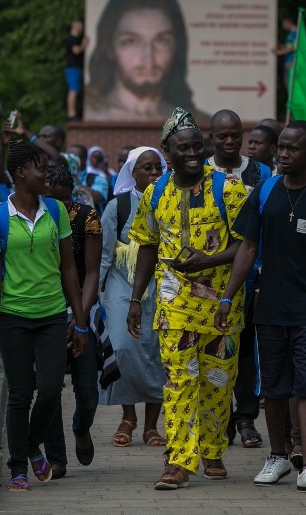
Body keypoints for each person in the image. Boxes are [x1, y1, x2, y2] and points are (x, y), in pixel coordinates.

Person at [216, 119, 306, 494]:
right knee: (272, 388)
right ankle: (276, 457)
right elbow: (247, 247)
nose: (282, 154)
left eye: (291, 149)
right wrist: (228, 295)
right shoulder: (264, 191)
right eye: (281, 148)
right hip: (269, 306)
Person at [126, 107, 248, 489]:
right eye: (184, 148)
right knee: (178, 380)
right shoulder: (154, 193)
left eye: (198, 146)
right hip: (173, 304)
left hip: (222, 305)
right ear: (167, 151)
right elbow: (146, 244)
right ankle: (179, 460)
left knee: (217, 381)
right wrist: (135, 299)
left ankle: (212, 449)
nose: (193, 154)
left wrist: (210, 260)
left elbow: (248, 245)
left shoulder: (229, 189)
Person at [0, 141, 88, 492]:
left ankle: (28, 444)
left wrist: (80, 321)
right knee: (21, 394)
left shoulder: (55, 211)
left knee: (53, 389)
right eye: (41, 168)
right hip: (13, 319)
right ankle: (17, 468)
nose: (47, 174)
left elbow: (69, 269)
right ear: (22, 173)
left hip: (53, 315)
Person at [207, 109, 271, 448]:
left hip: (250, 275)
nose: (230, 142)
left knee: (245, 349)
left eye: (235, 136)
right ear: (212, 137)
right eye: (223, 136)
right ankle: (219, 420)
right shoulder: (200, 172)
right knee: (214, 349)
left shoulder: (260, 171)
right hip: (208, 276)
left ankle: (245, 418)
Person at [99, 147, 169, 448]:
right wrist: (91, 297)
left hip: (163, 282)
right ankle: (128, 416)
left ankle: (151, 425)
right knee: (123, 345)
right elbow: (103, 253)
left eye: (158, 168)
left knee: (158, 350)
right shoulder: (118, 206)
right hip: (121, 282)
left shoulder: (171, 200)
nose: (154, 173)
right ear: (132, 173)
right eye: (146, 168)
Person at [42, 163, 103, 479]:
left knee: (88, 390)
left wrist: (80, 318)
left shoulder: (87, 217)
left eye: (67, 202)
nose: (62, 209)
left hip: (82, 308)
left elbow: (92, 272)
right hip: (44, 311)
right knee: (49, 388)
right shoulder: (34, 220)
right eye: (56, 201)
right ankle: (56, 457)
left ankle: (82, 427)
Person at [85, 0, 204, 122]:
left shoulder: (194, 121)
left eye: (162, 41)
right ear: (109, 48)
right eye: (130, 41)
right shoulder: (91, 114)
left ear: (177, 46)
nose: (148, 59)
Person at [66, 20, 89, 120]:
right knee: (73, 90)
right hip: (73, 68)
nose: (82, 27)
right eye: (79, 25)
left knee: (76, 90)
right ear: (74, 26)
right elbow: (77, 51)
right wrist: (84, 43)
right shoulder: (72, 39)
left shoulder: (76, 39)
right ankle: (71, 114)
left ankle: (73, 113)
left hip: (77, 68)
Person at [272, 15, 297, 88]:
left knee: (291, 85)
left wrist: (279, 52)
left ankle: (294, 99)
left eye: (284, 24)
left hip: (292, 61)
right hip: (287, 61)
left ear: (289, 23)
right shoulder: (289, 34)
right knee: (287, 84)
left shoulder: (296, 33)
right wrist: (279, 45)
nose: (283, 27)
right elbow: (287, 46)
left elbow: (292, 48)